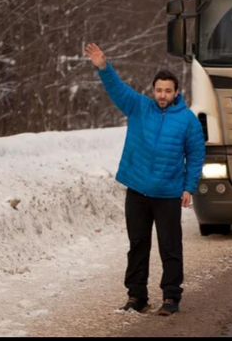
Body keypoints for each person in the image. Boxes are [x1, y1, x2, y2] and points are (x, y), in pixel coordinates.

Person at [84, 43, 206, 316]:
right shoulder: (139, 107)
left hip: (167, 195)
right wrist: (104, 67)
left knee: (170, 247)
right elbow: (118, 89)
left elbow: (196, 155)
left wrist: (189, 187)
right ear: (154, 91)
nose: (162, 95)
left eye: (167, 91)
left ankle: (171, 297)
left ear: (176, 93)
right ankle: (137, 296)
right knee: (138, 244)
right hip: (138, 191)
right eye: (158, 90)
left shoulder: (187, 120)